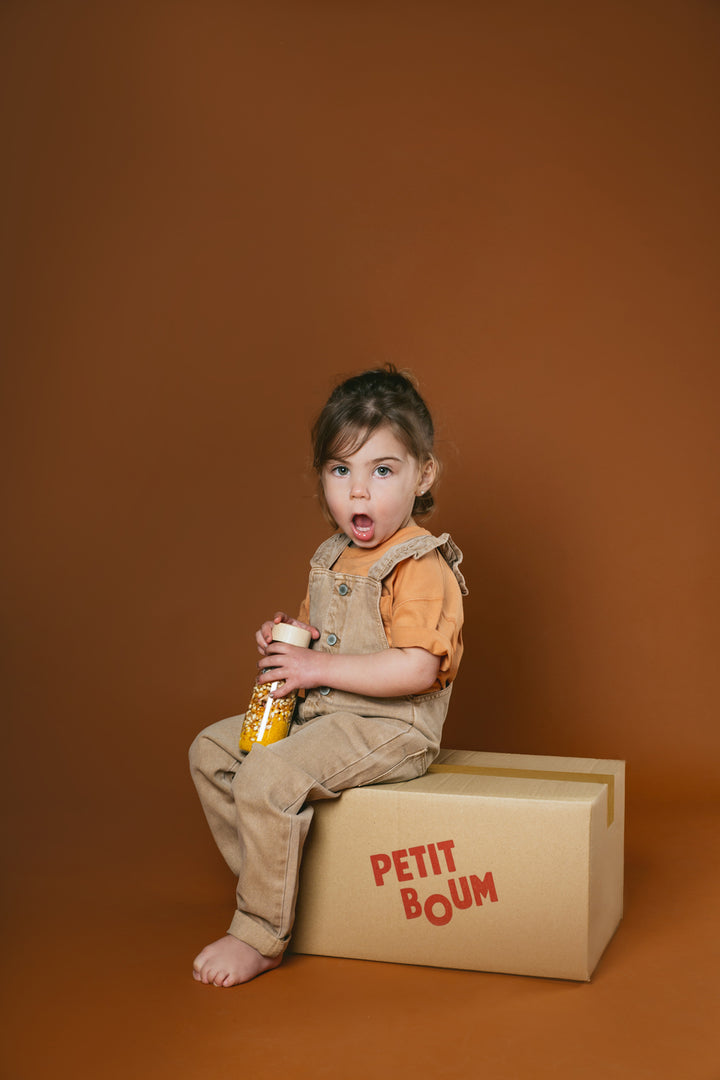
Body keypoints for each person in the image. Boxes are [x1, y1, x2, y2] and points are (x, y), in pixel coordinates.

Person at [189, 364, 467, 986]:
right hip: (326, 711)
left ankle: (260, 931)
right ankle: (286, 885)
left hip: (391, 725)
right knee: (213, 752)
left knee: (267, 774)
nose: (359, 494)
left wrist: (319, 665)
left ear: (424, 474)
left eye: (382, 471)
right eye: (342, 471)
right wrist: (289, 642)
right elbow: (322, 640)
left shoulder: (422, 566)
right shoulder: (333, 556)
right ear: (322, 478)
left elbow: (418, 668)